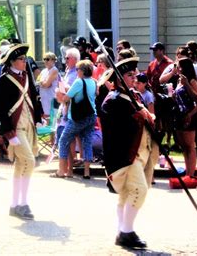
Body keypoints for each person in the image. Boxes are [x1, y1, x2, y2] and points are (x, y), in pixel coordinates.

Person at [100, 57, 158, 249]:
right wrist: (138, 116)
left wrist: (149, 117)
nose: (133, 78)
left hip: (141, 151)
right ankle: (126, 232)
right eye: (128, 75)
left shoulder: (135, 97)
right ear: (118, 78)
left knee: (127, 193)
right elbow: (115, 125)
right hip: (126, 154)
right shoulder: (114, 100)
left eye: (134, 74)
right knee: (138, 190)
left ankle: (121, 229)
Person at [0, 44, 42, 220]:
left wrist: (38, 116)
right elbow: (1, 109)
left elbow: (32, 98)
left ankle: (15, 204)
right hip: (16, 127)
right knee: (29, 162)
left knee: (21, 165)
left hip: (29, 124)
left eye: (24, 59)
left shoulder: (26, 76)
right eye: (21, 59)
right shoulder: (4, 80)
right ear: (12, 62)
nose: (25, 62)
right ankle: (23, 203)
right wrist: (9, 133)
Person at [55, 60, 97, 179]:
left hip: (78, 117)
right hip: (91, 115)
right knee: (87, 143)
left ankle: (61, 171)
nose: (77, 71)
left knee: (63, 140)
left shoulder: (79, 82)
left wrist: (62, 92)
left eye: (78, 69)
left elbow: (66, 98)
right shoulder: (93, 82)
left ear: (82, 71)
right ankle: (87, 172)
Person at [173, 58, 197, 177]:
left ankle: (191, 174)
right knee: (183, 145)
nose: (177, 68)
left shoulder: (191, 80)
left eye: (179, 66)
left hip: (190, 115)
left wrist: (190, 114)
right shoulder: (179, 80)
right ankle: (187, 171)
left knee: (190, 145)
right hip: (179, 114)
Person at [38, 52, 59, 118]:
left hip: (51, 98)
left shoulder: (54, 70)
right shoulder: (43, 71)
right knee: (43, 117)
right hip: (43, 98)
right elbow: (37, 81)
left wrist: (42, 83)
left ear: (53, 60)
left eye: (47, 59)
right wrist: (42, 83)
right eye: (44, 59)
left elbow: (47, 85)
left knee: (50, 119)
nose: (45, 61)